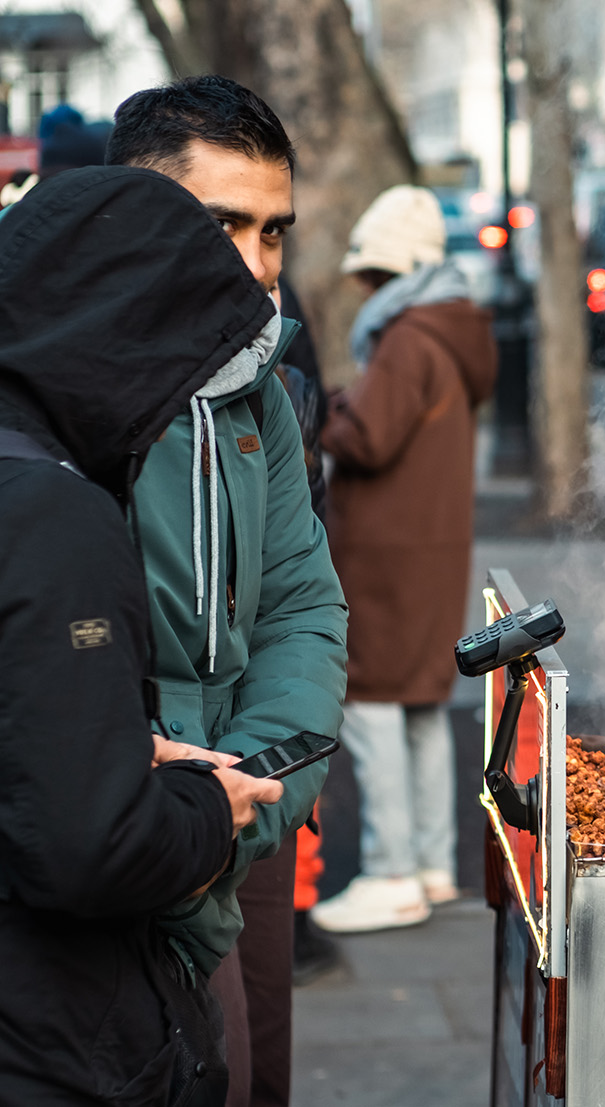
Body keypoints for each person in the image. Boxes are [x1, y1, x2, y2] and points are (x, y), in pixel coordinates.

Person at [0, 165, 285, 1105]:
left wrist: (101, 747)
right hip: (53, 1040)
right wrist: (211, 805)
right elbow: (89, 847)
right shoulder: (50, 512)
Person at [106, 76, 349, 1107]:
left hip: (239, 825)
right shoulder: (60, 385)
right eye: (223, 227)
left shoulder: (266, 393)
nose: (257, 267)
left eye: (274, 233)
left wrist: (248, 799)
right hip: (101, 845)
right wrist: (154, 806)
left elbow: (303, 607)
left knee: (249, 1076)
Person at [311, 184, 497, 933]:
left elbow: (366, 438)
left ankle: (392, 872)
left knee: (372, 703)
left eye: (372, 277)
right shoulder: (450, 333)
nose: (365, 291)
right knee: (419, 705)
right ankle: (429, 864)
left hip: (386, 553)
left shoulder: (408, 337)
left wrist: (320, 404)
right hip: (431, 548)